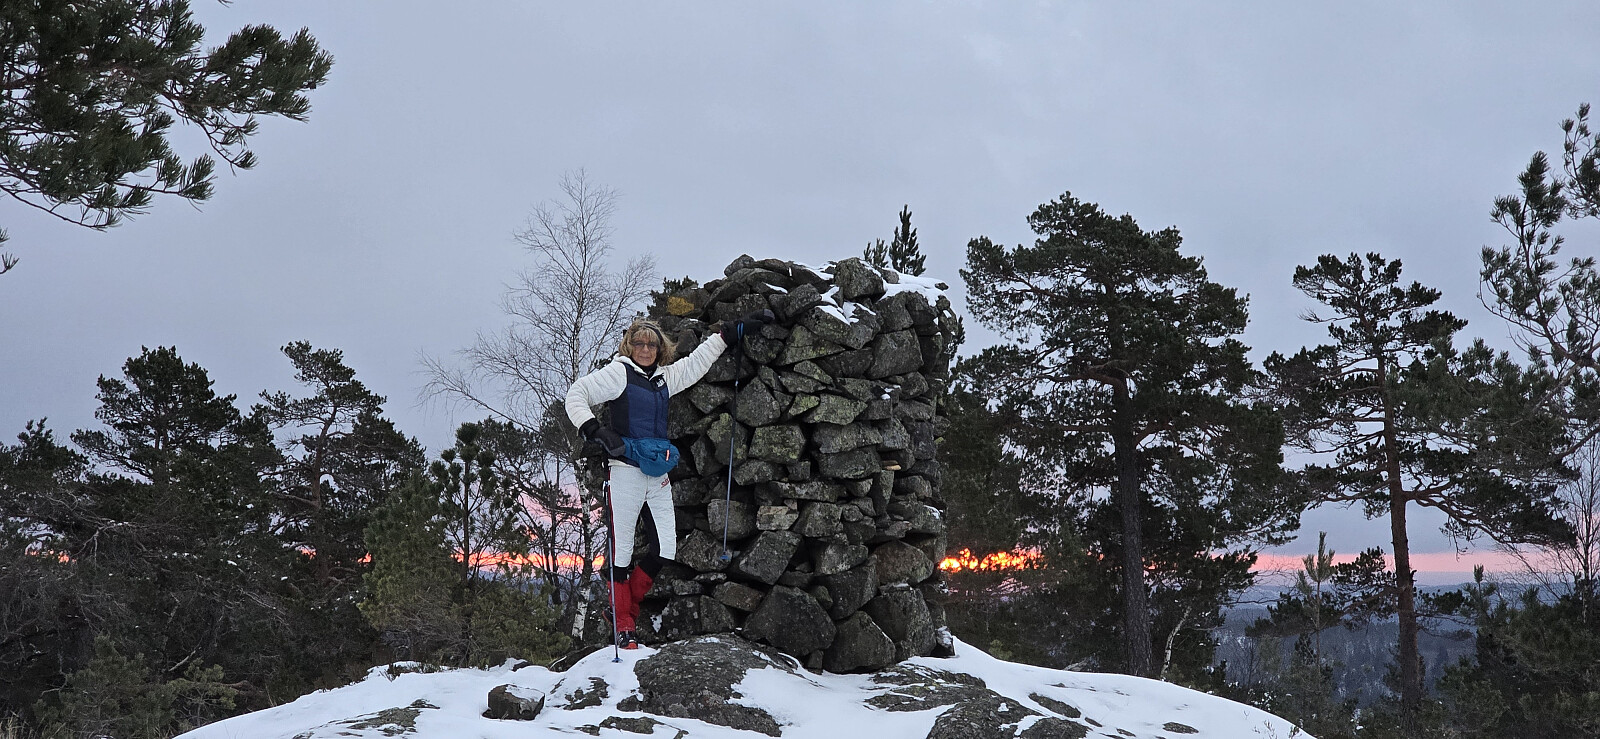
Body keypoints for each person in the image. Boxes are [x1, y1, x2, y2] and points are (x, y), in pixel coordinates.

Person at [564, 311, 771, 649]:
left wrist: (727, 335)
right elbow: (576, 394)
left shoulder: (664, 379)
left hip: (657, 474)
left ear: (660, 349)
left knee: (665, 549)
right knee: (621, 552)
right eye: (639, 343)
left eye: (652, 344)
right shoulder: (618, 373)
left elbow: (695, 365)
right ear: (629, 346)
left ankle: (622, 607)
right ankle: (624, 625)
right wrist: (596, 430)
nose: (645, 349)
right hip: (625, 471)